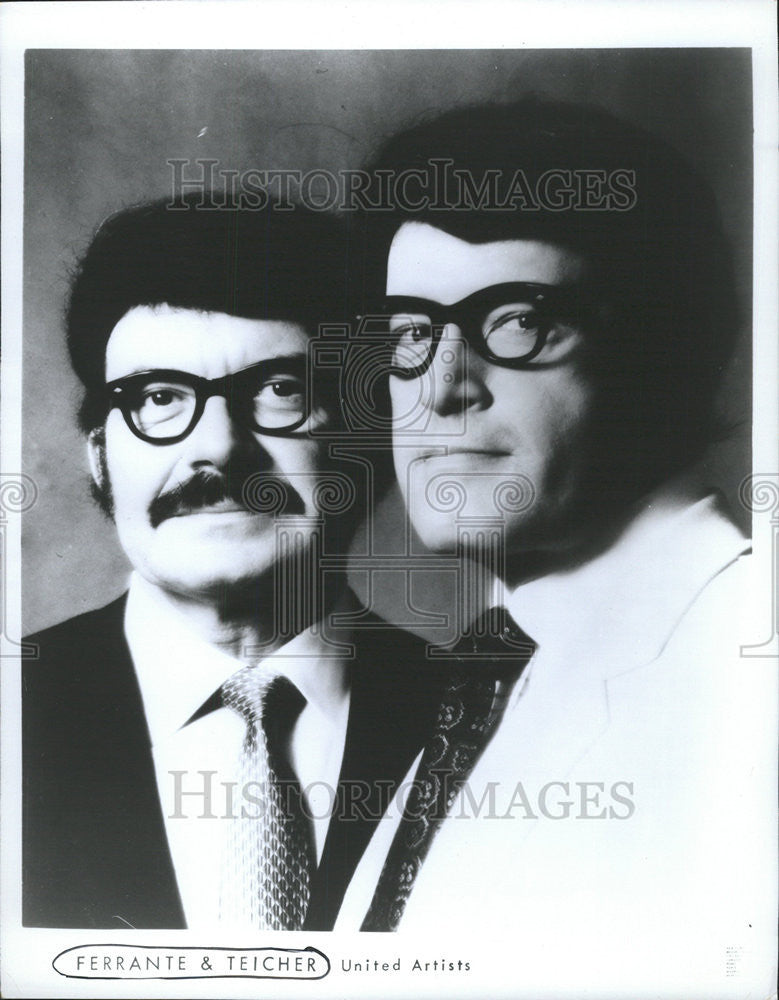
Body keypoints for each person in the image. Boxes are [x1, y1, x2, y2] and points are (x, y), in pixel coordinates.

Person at [338, 97, 772, 973]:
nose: (441, 388)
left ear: (663, 352)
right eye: (411, 335)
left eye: (519, 324)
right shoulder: (488, 673)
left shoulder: (746, 675)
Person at [22, 197, 449, 931]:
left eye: (280, 391)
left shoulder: (481, 713)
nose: (217, 450)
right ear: (99, 456)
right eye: (158, 398)